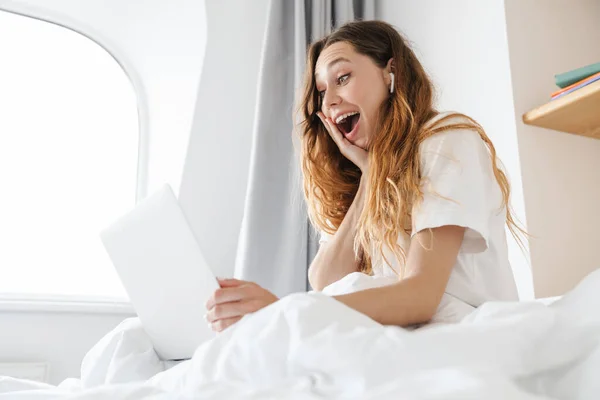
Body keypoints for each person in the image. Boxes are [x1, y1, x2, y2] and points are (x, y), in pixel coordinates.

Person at [204, 20, 525, 332]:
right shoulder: (367, 173)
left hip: (467, 331)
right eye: (321, 92)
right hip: (409, 337)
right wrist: (371, 177)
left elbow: (421, 297)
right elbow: (325, 280)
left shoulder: (446, 140)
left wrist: (285, 313)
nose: (329, 102)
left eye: (342, 77)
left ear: (391, 73)